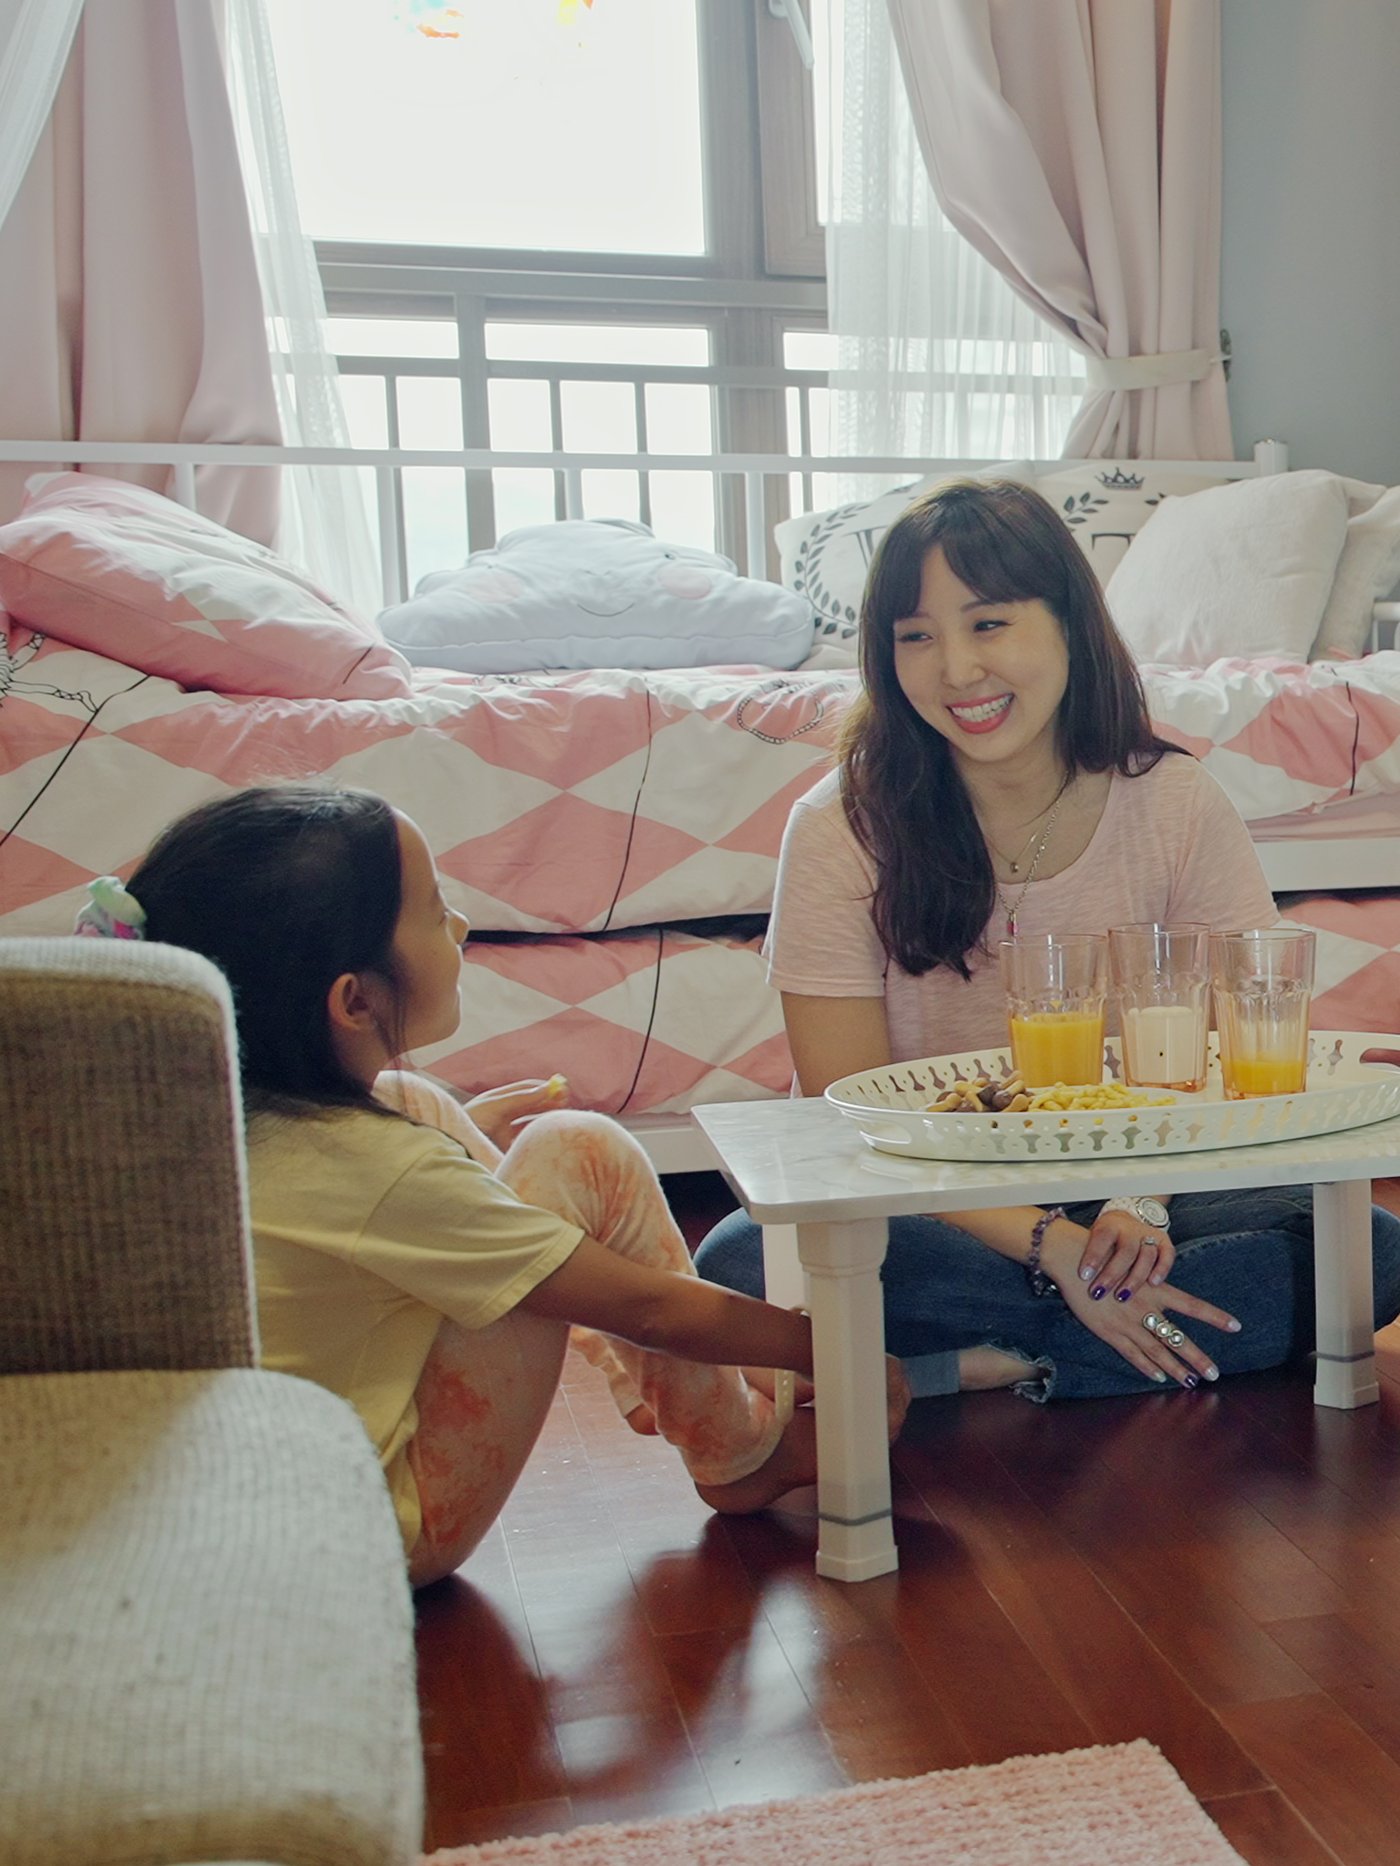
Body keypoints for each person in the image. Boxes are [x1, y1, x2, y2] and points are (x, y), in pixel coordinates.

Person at [76, 785, 910, 1586]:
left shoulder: (187, 1118)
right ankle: (739, 1455)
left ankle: (684, 1393)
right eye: (437, 913)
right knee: (577, 1149)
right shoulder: (382, 1172)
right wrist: (832, 1351)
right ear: (355, 1001)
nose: (462, 925)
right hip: (381, 1533)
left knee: (416, 1101)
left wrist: (456, 1149)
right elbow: (649, 1309)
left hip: (232, 1512)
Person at [695, 479, 1400, 1402]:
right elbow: (841, 1110)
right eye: (916, 636)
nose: (956, 670)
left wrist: (1133, 1208)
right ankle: (1084, 1343)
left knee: (1370, 1247)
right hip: (928, 1195)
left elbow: (1237, 1053)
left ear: (1069, 622)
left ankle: (970, 1366)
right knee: (743, 1258)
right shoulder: (842, 826)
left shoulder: (1175, 802)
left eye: (989, 624)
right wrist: (1051, 1247)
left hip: (1142, 1188)